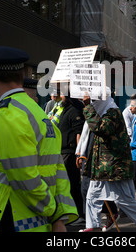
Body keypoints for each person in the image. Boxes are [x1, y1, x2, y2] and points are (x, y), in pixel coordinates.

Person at [0, 46, 78, 232]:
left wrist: (52, 212)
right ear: (22, 75)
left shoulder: (6, 114)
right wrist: (60, 215)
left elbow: (23, 175)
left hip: (7, 219)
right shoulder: (40, 114)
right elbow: (57, 170)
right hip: (34, 222)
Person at [80, 89, 136, 232]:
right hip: (104, 167)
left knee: (123, 199)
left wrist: (87, 108)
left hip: (115, 167)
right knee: (92, 196)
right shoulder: (105, 113)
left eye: (95, 101)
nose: (93, 104)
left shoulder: (113, 113)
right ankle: (92, 226)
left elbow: (100, 128)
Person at [56, 93, 85, 224]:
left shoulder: (74, 112)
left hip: (70, 152)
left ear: (68, 97)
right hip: (63, 151)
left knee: (73, 184)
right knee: (67, 184)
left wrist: (78, 154)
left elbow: (78, 133)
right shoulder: (64, 110)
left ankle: (79, 214)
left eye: (62, 95)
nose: (60, 97)